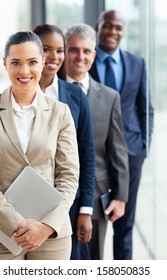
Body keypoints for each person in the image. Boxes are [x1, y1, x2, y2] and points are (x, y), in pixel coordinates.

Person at [0, 30, 80, 260]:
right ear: (5, 64)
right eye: (16, 62)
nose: (24, 71)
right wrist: (15, 223)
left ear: (43, 63)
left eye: (32, 62)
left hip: (51, 236)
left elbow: (69, 176)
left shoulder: (60, 112)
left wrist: (45, 227)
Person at [89, 10, 154, 259]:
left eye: (118, 27)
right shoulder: (86, 59)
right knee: (93, 227)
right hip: (95, 157)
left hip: (131, 154)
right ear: (98, 26)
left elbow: (145, 108)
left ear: (123, 31)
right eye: (108, 26)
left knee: (125, 227)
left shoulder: (137, 63)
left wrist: (143, 147)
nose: (113, 32)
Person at [64, 23, 129, 260]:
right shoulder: (50, 92)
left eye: (86, 51)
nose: (79, 56)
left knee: (94, 262)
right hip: (57, 197)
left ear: (94, 55)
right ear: (64, 51)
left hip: (96, 196)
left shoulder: (110, 97)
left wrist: (121, 197)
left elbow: (118, 151)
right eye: (73, 49)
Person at [33, 24, 95, 259]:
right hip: (29, 200)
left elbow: (86, 154)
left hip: (70, 202)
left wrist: (86, 210)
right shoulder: (18, 93)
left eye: (60, 50)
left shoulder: (76, 96)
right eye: (46, 49)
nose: (54, 57)